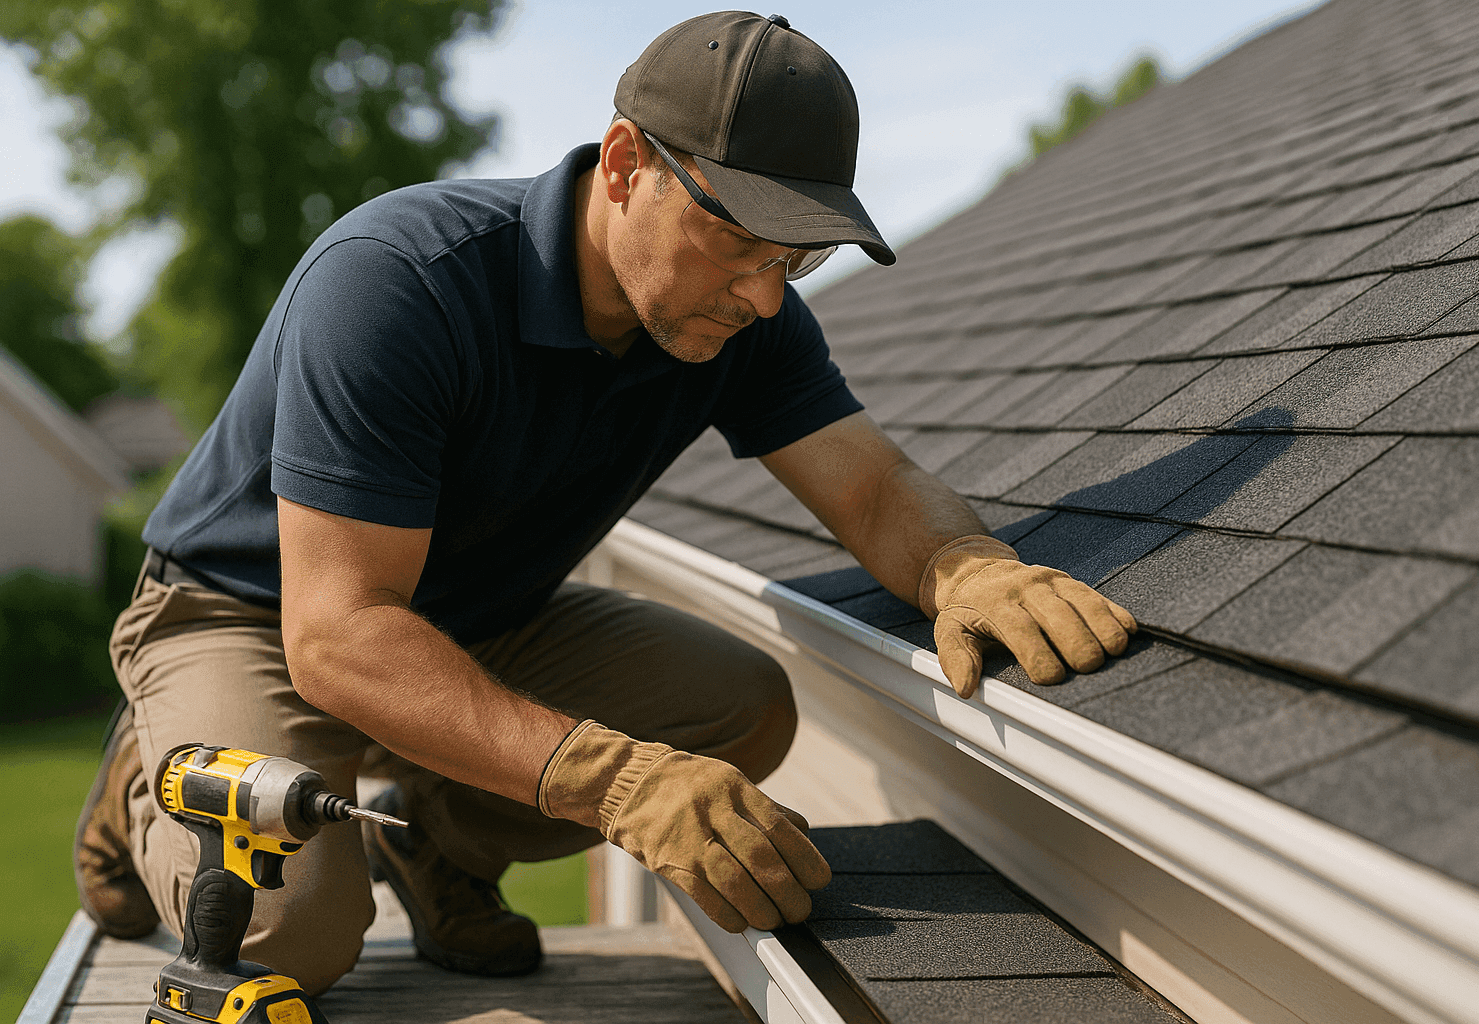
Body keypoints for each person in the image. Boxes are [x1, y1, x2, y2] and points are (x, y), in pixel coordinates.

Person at [75, 11, 1136, 993]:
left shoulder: (743, 318)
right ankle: (146, 771)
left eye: (798, 256)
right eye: (739, 239)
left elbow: (871, 484)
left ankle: (435, 836)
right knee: (289, 936)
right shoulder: (399, 282)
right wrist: (612, 779)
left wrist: (962, 562)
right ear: (626, 163)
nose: (765, 294)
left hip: (479, 623)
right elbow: (339, 632)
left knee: (740, 708)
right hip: (258, 616)